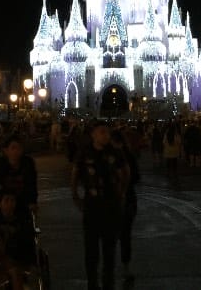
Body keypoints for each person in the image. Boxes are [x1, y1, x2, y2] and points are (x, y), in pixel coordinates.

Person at [71, 120, 128, 290]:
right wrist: (75, 195)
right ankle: (92, 283)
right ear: (93, 134)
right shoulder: (85, 153)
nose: (106, 135)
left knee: (109, 249)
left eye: (107, 132)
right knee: (91, 250)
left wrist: (121, 192)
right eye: (102, 132)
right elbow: (75, 173)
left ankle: (108, 283)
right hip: (92, 206)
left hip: (111, 206)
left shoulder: (115, 152)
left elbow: (125, 172)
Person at [0, 133, 39, 221]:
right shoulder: (1, 164)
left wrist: (33, 201)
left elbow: (32, 184)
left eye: (19, 148)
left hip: (23, 198)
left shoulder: (28, 163)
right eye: (13, 148)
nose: (16, 151)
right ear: (6, 151)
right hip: (6, 198)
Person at [110, 128, 140, 282]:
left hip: (114, 201)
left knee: (111, 236)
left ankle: (110, 267)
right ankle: (125, 266)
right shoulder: (128, 155)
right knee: (125, 235)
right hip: (128, 200)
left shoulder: (109, 156)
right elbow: (136, 177)